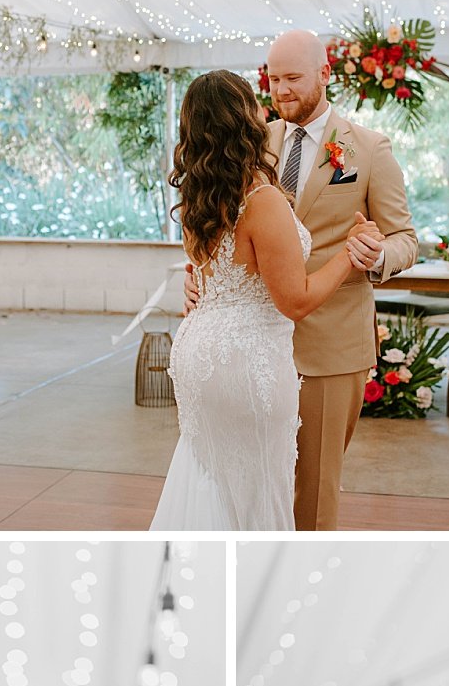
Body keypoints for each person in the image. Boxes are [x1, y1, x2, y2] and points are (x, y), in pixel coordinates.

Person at [184, 31, 419, 529]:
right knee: (248, 485)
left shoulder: (369, 150)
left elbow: (405, 237)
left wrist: (375, 253)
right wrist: (203, 284)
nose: (281, 90)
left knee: (311, 493)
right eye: (272, 79)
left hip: (328, 346)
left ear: (325, 73)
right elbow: (221, 231)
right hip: (251, 352)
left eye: (293, 78)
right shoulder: (249, 139)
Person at [150, 68, 373, 530]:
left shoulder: (198, 192)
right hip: (245, 360)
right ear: (246, 117)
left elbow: (211, 271)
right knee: (258, 490)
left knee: (207, 481)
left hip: (198, 353)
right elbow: (295, 300)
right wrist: (351, 254)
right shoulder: (261, 198)